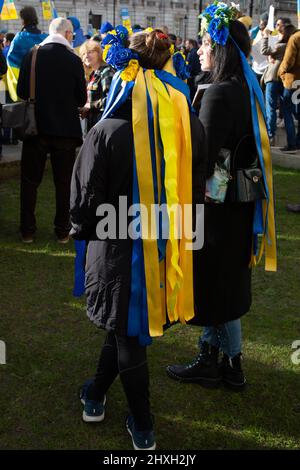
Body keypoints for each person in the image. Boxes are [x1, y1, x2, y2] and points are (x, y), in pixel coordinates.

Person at [70, 27, 206, 450]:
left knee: (127, 333)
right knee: (122, 328)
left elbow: (83, 206)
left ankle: (143, 423)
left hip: (117, 250)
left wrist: (86, 232)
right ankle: (95, 393)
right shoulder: (187, 125)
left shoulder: (106, 131)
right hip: (166, 248)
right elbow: (196, 187)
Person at [167, 2, 277, 390]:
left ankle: (231, 367)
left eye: (205, 44)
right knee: (225, 284)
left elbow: (203, 156)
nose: (198, 50)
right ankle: (210, 359)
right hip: (241, 204)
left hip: (218, 209)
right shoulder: (247, 86)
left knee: (220, 287)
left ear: (221, 49)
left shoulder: (218, 93)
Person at [17, 18, 87, 243]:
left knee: (29, 182)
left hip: (36, 128)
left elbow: (20, 91)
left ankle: (27, 230)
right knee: (64, 183)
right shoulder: (74, 60)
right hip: (65, 130)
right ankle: (62, 231)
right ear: (67, 34)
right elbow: (82, 98)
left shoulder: (33, 54)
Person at [261, 24, 296, 144]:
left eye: (280, 32)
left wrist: (265, 37)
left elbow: (263, 50)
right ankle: (291, 142)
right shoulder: (289, 46)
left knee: (270, 108)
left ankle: (270, 135)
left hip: (273, 79)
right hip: (284, 80)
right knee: (286, 110)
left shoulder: (282, 46)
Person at [6, 6, 47, 102]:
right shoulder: (46, 37)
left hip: (25, 91)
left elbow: (12, 67)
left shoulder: (18, 39)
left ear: (23, 20)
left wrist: (17, 95)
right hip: (45, 89)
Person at [79, 39, 115, 130]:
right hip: (92, 123)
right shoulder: (92, 74)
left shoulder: (106, 71)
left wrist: (89, 106)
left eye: (90, 52)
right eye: (83, 54)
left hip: (102, 124)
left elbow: (110, 100)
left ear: (99, 53)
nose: (86, 56)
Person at [278, 30, 300, 153]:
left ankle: (292, 144)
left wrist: (281, 72)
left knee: (287, 112)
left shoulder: (295, 37)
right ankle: (298, 142)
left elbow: (288, 61)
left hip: (292, 80)